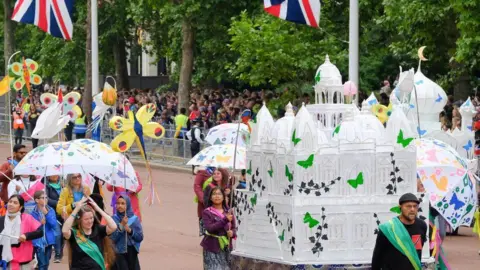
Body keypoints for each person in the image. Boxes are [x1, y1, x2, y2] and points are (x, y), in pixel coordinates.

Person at [371, 193, 427, 270]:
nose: (412, 209)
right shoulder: (387, 229)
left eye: (415, 206)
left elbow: (417, 252)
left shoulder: (422, 225)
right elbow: (377, 256)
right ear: (400, 207)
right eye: (408, 206)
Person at [62, 197, 117, 270]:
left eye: (91, 218)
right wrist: (76, 210)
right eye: (86, 219)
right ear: (79, 220)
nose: (89, 221)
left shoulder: (98, 229)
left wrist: (98, 209)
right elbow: (65, 231)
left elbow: (113, 226)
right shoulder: (74, 233)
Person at [0, 195, 43, 269]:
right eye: (10, 202)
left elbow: (40, 232)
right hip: (5, 261)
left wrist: (26, 236)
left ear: (20, 207)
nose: (11, 204)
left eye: (15, 203)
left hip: (23, 261)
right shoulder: (1, 220)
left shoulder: (27, 218)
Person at [201, 187, 236, 270]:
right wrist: (225, 220)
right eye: (214, 194)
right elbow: (210, 228)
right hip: (211, 248)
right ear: (210, 197)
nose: (217, 196)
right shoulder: (207, 212)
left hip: (226, 248)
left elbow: (234, 227)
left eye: (219, 194)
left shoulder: (228, 212)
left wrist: (232, 232)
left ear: (223, 197)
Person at [110, 195, 143, 270]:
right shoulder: (114, 219)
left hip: (131, 252)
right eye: (118, 203)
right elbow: (112, 238)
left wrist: (130, 231)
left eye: (123, 203)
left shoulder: (134, 219)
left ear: (127, 205)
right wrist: (121, 225)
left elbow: (140, 237)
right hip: (118, 253)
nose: (120, 206)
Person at [30, 191, 57, 270]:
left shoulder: (50, 210)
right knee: (42, 263)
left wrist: (47, 215)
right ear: (36, 200)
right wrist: (40, 223)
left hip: (48, 240)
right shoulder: (33, 212)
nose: (45, 199)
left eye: (46, 197)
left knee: (47, 261)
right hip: (39, 242)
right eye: (43, 198)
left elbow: (54, 224)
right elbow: (32, 227)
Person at [43, 175, 64, 263]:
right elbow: (47, 200)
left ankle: (60, 251)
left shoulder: (64, 185)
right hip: (53, 213)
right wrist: (60, 203)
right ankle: (58, 254)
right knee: (57, 233)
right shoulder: (46, 186)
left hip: (65, 212)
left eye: (56, 173)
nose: (54, 175)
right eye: (52, 174)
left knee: (63, 234)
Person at [193, 167, 215, 236]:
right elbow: (197, 186)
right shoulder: (202, 172)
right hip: (205, 203)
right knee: (206, 221)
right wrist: (203, 199)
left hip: (217, 200)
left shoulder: (218, 170)